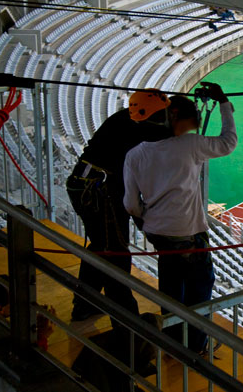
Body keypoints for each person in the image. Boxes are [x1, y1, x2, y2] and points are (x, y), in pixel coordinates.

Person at [123, 83, 236, 353]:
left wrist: (147, 221)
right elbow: (228, 142)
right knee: (200, 288)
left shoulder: (134, 154)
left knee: (171, 286)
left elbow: (130, 204)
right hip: (188, 232)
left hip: (158, 233)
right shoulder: (190, 144)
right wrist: (223, 103)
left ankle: (173, 341)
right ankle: (195, 346)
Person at [66, 90, 173, 322]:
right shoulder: (140, 129)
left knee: (102, 246)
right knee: (115, 254)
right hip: (100, 190)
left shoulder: (128, 119)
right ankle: (127, 325)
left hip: (90, 185)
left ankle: (84, 304)